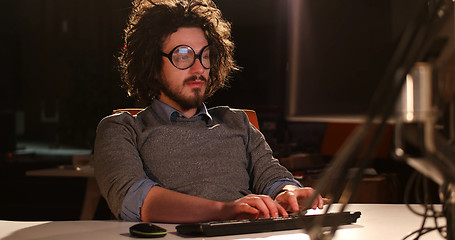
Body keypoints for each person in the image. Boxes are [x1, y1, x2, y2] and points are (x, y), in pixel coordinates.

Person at [94, 0, 326, 223]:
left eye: (205, 55)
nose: (199, 68)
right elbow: (135, 199)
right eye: (182, 56)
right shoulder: (123, 128)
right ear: (152, 65)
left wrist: (289, 192)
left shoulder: (236, 121)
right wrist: (225, 210)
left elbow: (273, 177)